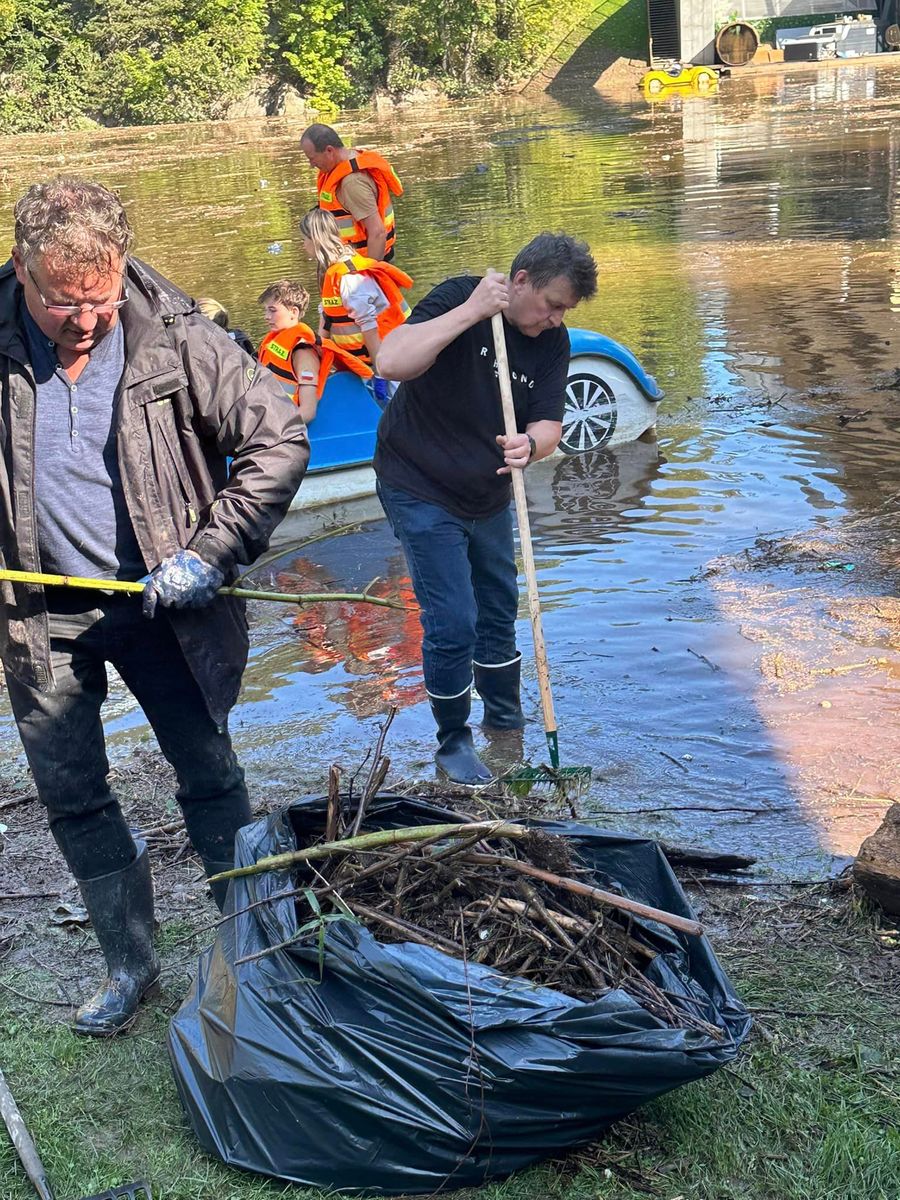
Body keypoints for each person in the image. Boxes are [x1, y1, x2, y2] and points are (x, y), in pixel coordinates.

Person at [0, 177, 310, 1036]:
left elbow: (278, 440)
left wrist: (211, 554)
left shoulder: (179, 339)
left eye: (99, 299)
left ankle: (249, 955)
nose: (87, 320)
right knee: (71, 792)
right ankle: (129, 962)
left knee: (208, 773)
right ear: (22, 269)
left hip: (166, 604)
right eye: (65, 304)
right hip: (38, 610)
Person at [374, 233, 598, 785]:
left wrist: (534, 444)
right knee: (453, 619)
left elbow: (548, 423)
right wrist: (473, 310)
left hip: (491, 490)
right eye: (551, 305)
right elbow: (391, 360)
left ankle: (506, 722)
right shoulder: (458, 296)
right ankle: (453, 741)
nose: (554, 319)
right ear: (521, 281)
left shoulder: (552, 343)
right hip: (418, 482)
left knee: (499, 608)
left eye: (563, 311)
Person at [298, 207, 412, 402]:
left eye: (304, 239)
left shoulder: (351, 279)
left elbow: (370, 329)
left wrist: (380, 374)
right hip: (367, 362)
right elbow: (328, 317)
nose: (302, 245)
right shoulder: (332, 272)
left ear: (316, 239)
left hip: (390, 359)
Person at [257, 278, 372, 424]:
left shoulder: (303, 352)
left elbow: (308, 411)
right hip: (268, 414)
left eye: (272, 310)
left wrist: (268, 430)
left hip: (283, 428)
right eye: (266, 310)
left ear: (293, 312)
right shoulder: (274, 341)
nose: (266, 316)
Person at [300, 123, 402, 262]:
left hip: (366, 266)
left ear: (329, 151)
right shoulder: (349, 159)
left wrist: (370, 277)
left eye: (312, 158)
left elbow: (377, 233)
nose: (311, 164)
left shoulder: (352, 182)